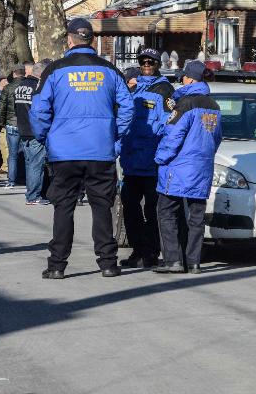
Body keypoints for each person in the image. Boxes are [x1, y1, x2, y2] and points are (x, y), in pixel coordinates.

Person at [30, 18, 133, 279]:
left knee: (63, 208)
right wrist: (114, 138)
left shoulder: (54, 70)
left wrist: (47, 138)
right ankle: (108, 263)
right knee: (102, 207)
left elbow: (39, 111)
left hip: (64, 152)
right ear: (92, 40)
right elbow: (128, 109)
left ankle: (57, 266)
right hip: (100, 150)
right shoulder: (110, 70)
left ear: (70, 39)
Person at [154, 60, 221, 274]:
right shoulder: (213, 105)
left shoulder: (184, 103)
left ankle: (173, 260)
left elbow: (173, 136)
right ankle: (194, 262)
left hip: (179, 167)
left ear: (190, 78)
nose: (181, 79)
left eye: (183, 76)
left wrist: (160, 158)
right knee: (196, 217)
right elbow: (217, 137)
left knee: (166, 211)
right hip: (202, 168)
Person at [118, 66, 167, 268]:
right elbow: (122, 126)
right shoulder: (132, 95)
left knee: (153, 211)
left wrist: (162, 157)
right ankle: (138, 251)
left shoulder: (164, 91)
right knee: (129, 208)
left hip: (152, 165)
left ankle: (151, 252)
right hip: (131, 165)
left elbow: (168, 128)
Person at [13, 61, 50, 206]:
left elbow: (17, 109)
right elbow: (41, 111)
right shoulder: (38, 87)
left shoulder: (20, 87)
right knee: (36, 165)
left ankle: (31, 193)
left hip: (23, 130)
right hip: (35, 131)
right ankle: (33, 196)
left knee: (30, 164)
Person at [0, 70, 22, 187]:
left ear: (14, 75)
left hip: (10, 123)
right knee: (26, 153)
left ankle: (11, 180)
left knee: (12, 154)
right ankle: (23, 177)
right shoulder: (29, 86)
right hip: (25, 124)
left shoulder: (8, 88)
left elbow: (2, 107)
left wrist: (2, 123)